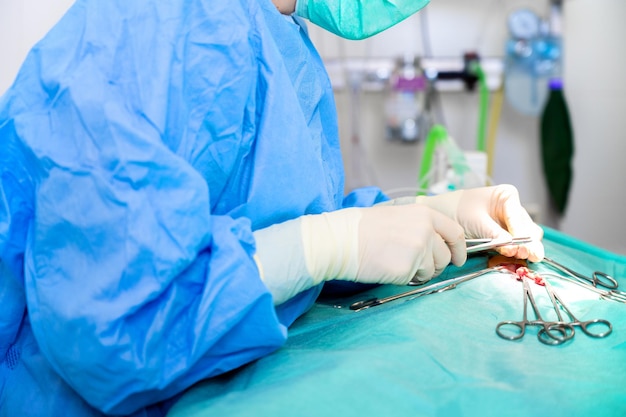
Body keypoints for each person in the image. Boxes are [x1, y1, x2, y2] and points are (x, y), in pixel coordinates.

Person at [0, 0, 544, 416]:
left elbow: (265, 219)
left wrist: (438, 214)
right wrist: (326, 245)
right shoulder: (164, 24)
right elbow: (112, 322)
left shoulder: (271, 30)